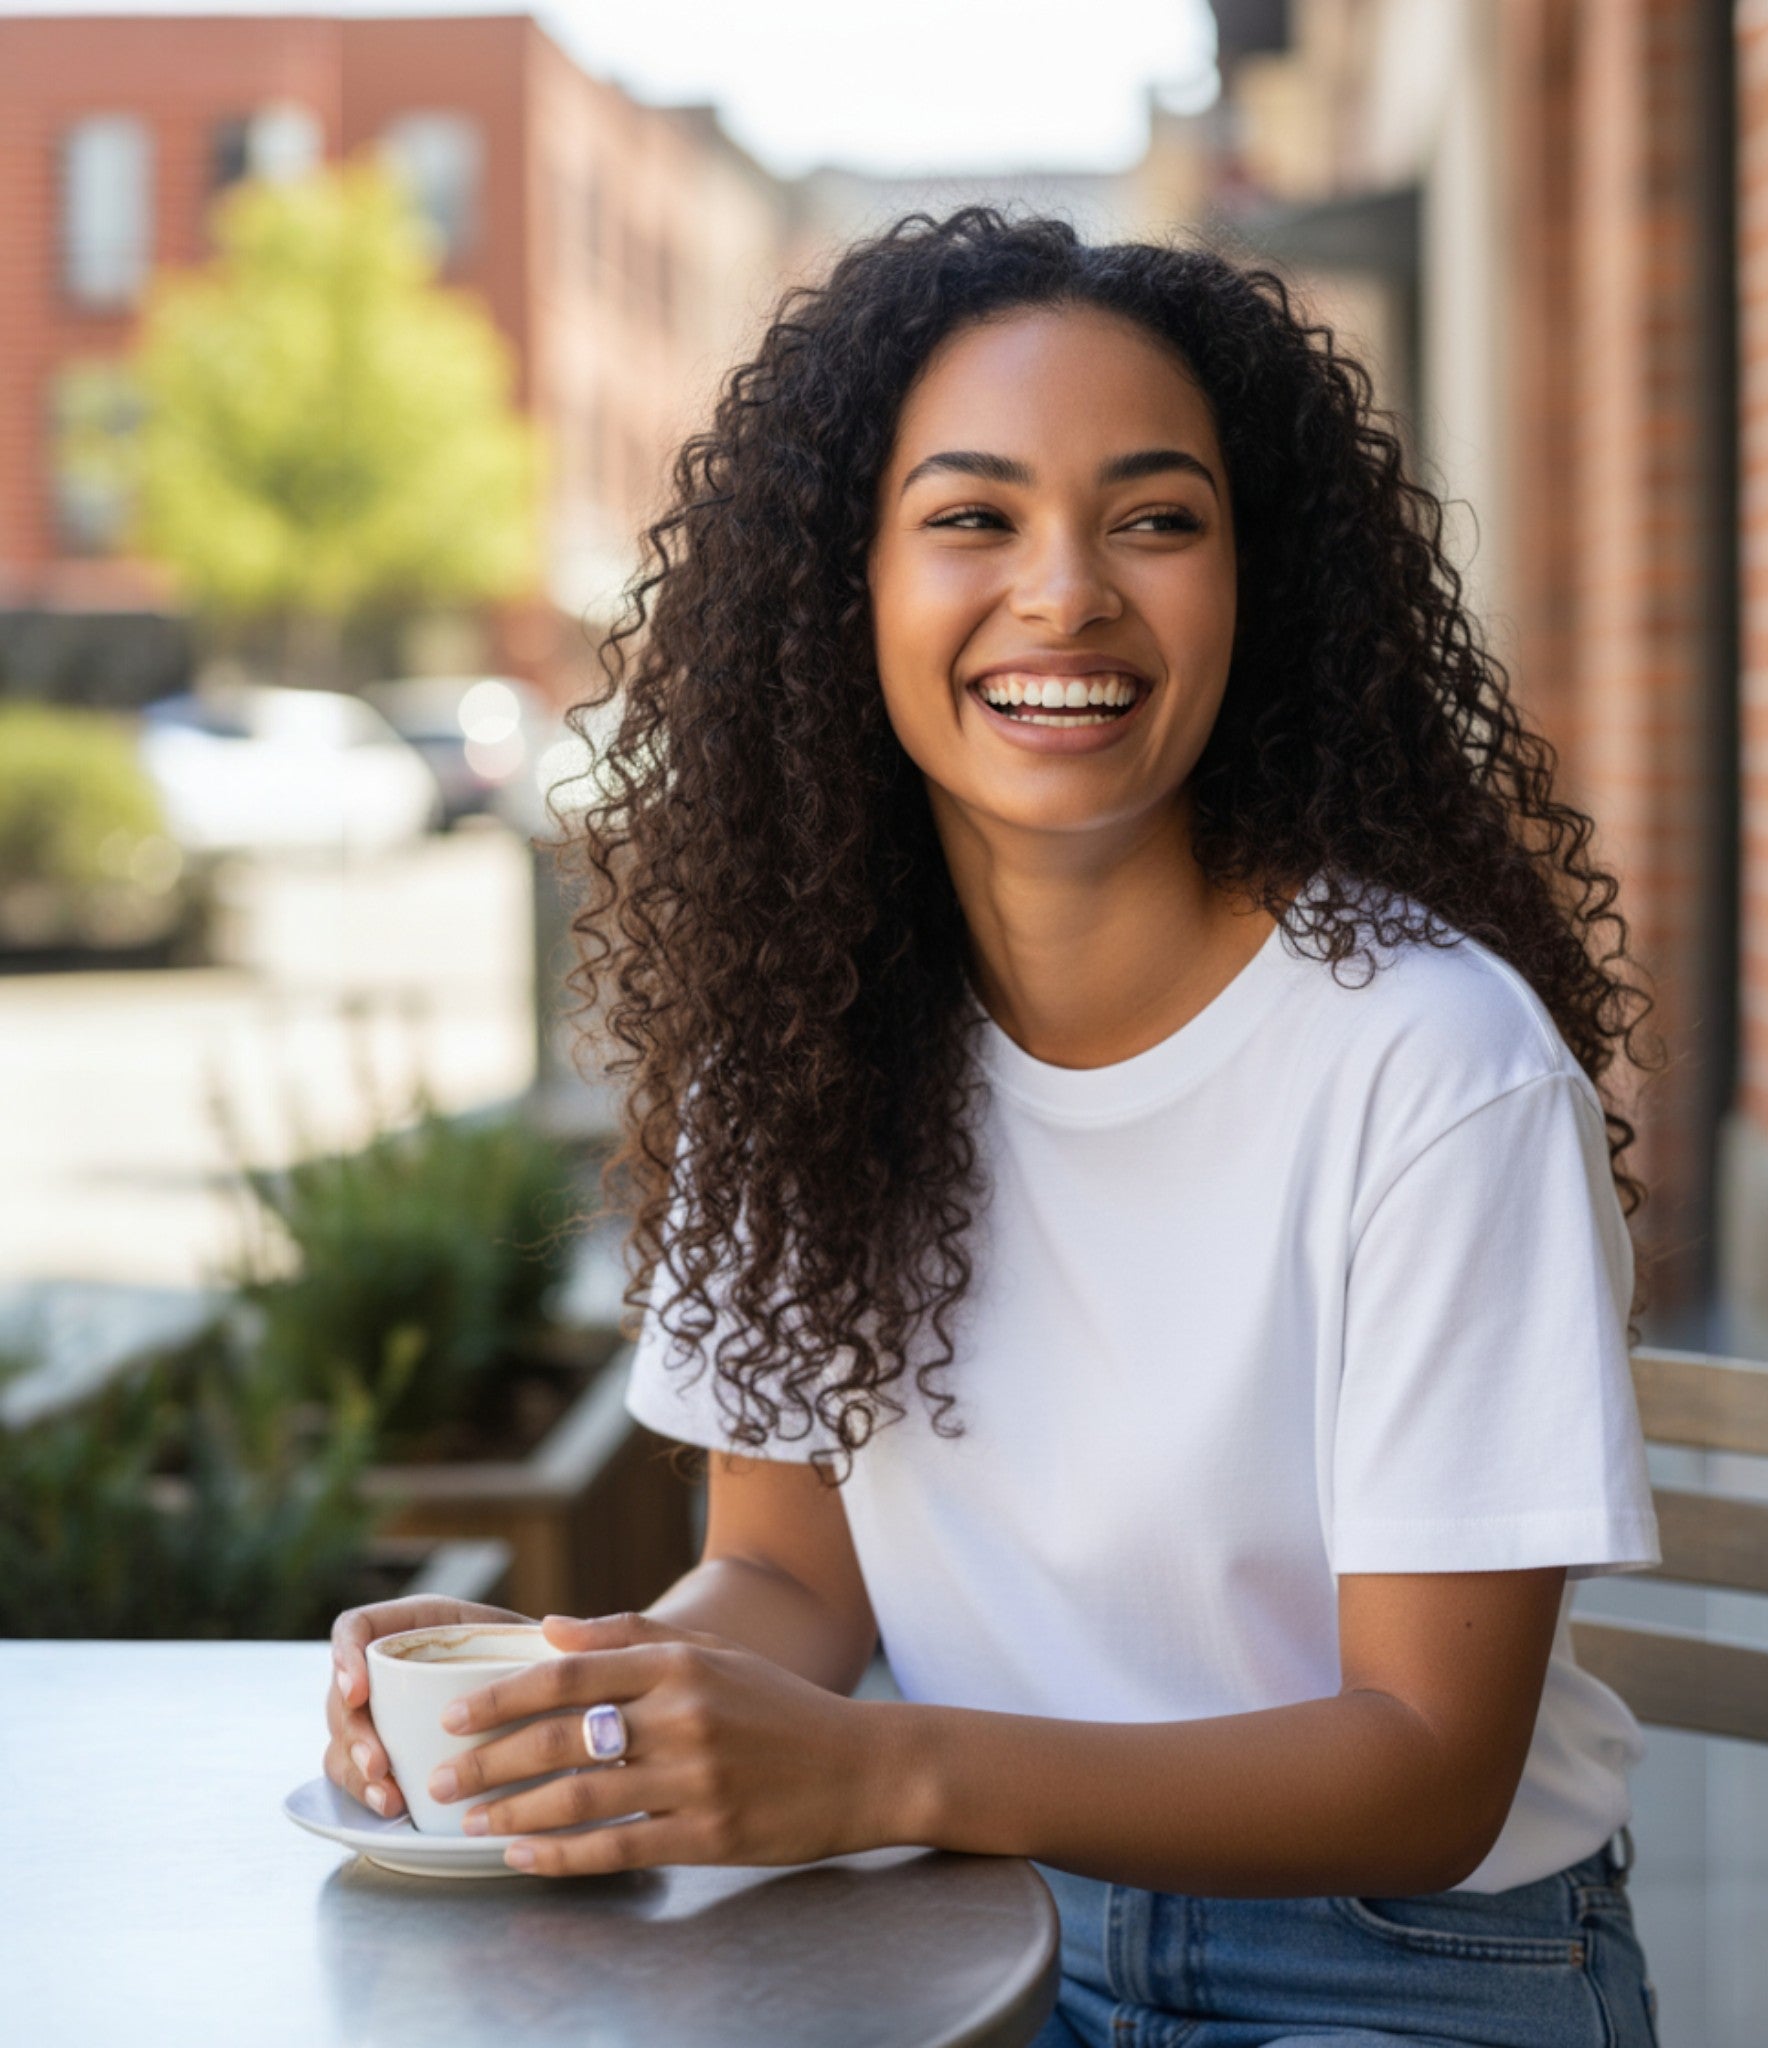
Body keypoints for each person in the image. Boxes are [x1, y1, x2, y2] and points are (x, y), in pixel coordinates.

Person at [325, 206, 1667, 2047]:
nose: (1065, 594)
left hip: (1401, 1964)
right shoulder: (805, 1051)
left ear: (1256, 582)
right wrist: (566, 1703)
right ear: (845, 589)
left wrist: (883, 1773)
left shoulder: (1435, 1064)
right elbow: (790, 1577)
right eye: (973, 516)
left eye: (1156, 519)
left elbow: (1429, 1767)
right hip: (966, 1921)